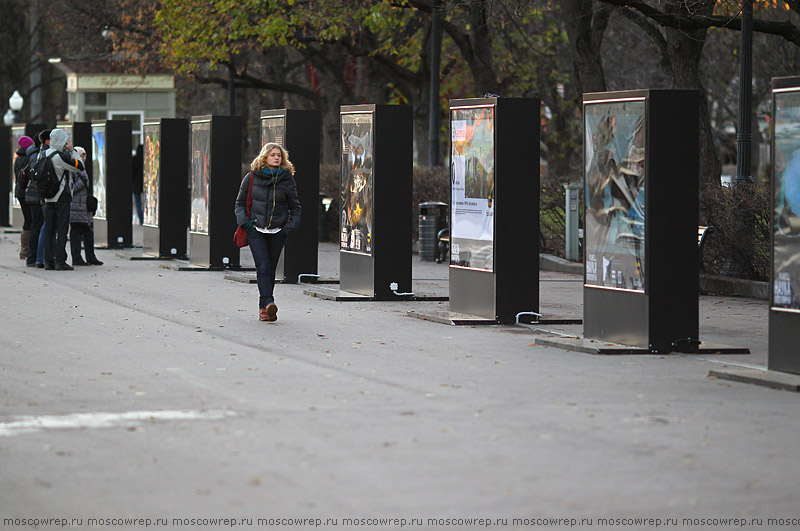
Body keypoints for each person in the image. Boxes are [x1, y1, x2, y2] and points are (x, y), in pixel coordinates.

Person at [235, 142, 302, 322]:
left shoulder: (287, 179)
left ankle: (263, 308)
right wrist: (246, 223)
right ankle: (269, 301)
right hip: (255, 230)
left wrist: (288, 227)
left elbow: (295, 207)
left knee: (270, 269)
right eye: (273, 154)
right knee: (263, 267)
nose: (276, 158)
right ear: (265, 156)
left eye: (279, 155)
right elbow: (240, 203)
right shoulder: (251, 177)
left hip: (277, 231)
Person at [42, 129, 84, 271]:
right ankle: (60, 261)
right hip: (61, 196)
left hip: (47, 197)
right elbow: (79, 166)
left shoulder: (43, 154)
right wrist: (72, 150)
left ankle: (48, 261)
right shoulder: (59, 156)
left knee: (49, 229)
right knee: (62, 229)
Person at [69, 146, 103, 266]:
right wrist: (82, 182)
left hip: (84, 207)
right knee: (76, 233)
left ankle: (91, 256)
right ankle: (77, 258)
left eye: (85, 155)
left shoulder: (82, 168)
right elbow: (70, 189)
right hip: (76, 206)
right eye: (81, 155)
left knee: (88, 232)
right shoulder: (72, 168)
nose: (84, 157)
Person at [31, 130, 51, 268]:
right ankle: (41, 258)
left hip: (33, 194)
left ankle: (34, 258)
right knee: (44, 226)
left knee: (35, 225)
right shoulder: (45, 155)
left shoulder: (34, 155)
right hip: (42, 195)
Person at [13, 135, 34, 260]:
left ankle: (24, 249)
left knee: (27, 219)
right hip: (27, 192)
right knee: (31, 220)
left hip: (20, 192)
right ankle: (27, 248)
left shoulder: (18, 159)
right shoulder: (28, 158)